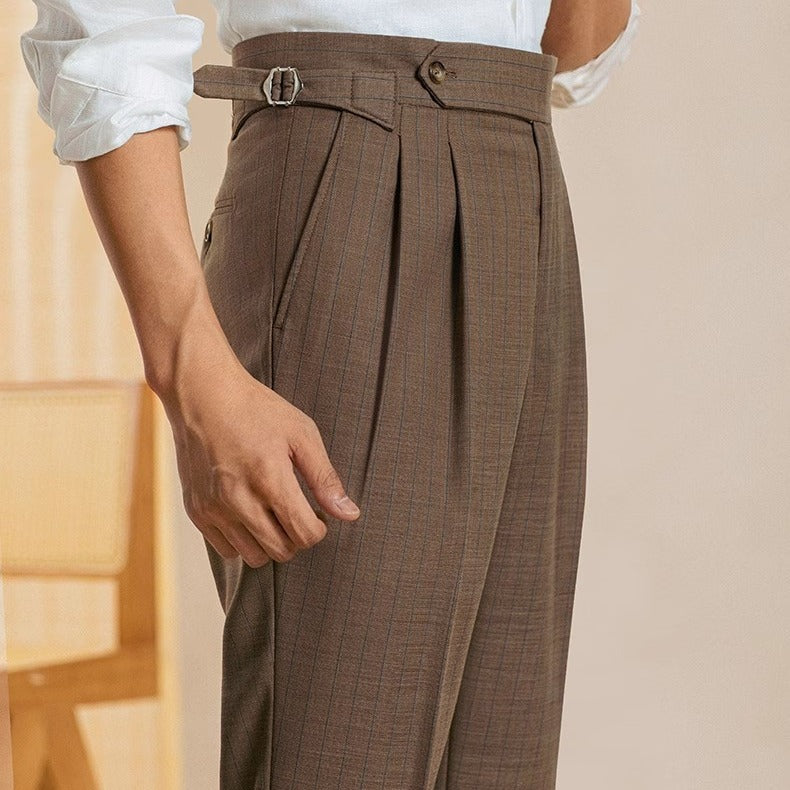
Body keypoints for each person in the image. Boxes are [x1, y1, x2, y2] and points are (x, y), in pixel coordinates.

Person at [19, 2, 642, 788]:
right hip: (348, 168)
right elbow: (109, 22)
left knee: (501, 761)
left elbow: (576, 51)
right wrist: (188, 369)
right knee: (342, 755)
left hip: (522, 177)